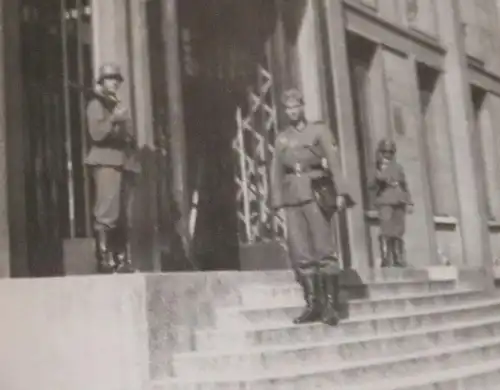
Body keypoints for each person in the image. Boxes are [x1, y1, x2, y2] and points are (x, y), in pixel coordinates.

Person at [271, 88, 354, 326]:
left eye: (296, 106)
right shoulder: (282, 138)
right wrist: (276, 202)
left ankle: (330, 305)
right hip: (292, 197)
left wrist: (341, 191)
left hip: (316, 192)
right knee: (301, 252)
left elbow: (334, 162)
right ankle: (313, 304)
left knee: (324, 249)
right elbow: (276, 171)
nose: (292, 111)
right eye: (288, 108)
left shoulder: (318, 130)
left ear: (302, 107)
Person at [85, 63, 140, 274]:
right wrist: (114, 119)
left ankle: (120, 258)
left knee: (123, 214)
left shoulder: (116, 104)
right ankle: (105, 259)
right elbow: (97, 134)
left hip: (122, 162)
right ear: (101, 81)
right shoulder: (96, 104)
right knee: (107, 212)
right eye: (110, 78)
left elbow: (128, 136)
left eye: (117, 79)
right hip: (106, 161)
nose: (114, 82)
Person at [369, 139, 413, 268]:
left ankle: (398, 257)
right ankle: (386, 258)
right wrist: (380, 178)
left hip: (399, 201)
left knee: (398, 231)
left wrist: (408, 201)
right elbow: (370, 185)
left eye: (390, 152)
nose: (388, 155)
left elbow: (404, 185)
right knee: (386, 230)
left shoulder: (397, 167)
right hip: (385, 201)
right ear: (380, 153)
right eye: (385, 152)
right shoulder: (375, 167)